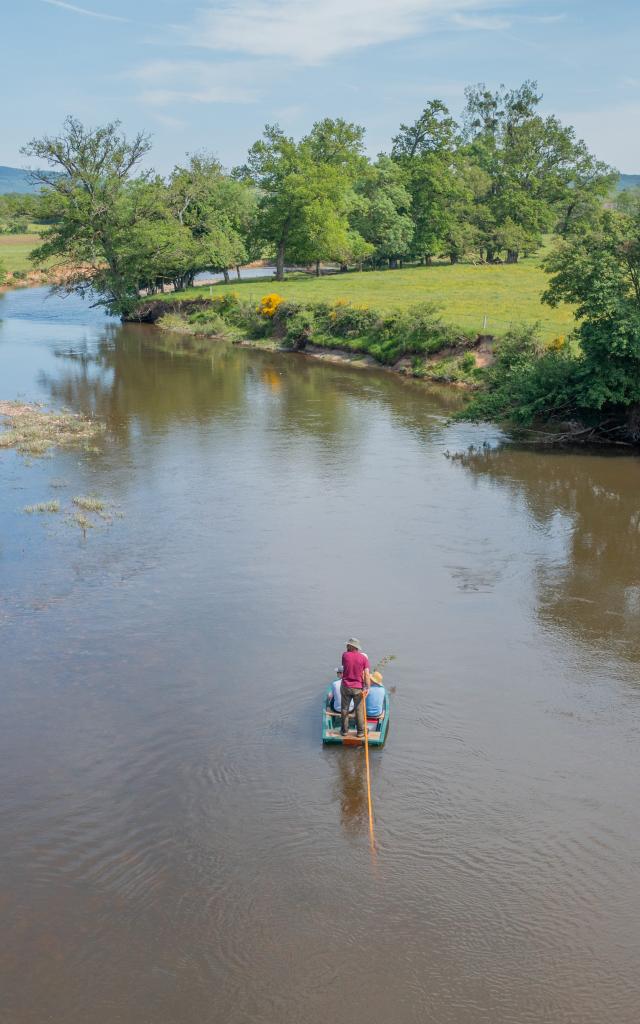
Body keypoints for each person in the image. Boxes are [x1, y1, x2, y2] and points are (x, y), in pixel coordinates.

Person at [340, 638, 370, 738]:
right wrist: (367, 687)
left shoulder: (344, 655)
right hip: (358, 687)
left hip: (346, 686)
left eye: (348, 645)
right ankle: (360, 732)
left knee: (345, 709)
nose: (346, 647)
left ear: (351, 646)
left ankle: (344, 731)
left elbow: (345, 666)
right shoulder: (364, 658)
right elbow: (366, 674)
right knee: (359, 710)